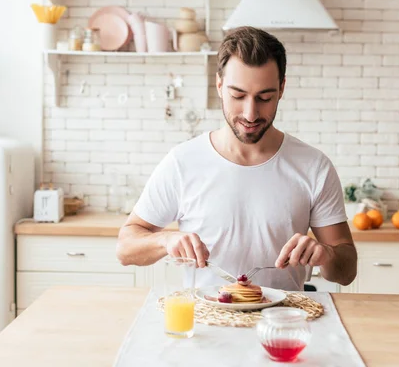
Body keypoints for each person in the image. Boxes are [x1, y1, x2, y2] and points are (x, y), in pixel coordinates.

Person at [116, 26, 357, 291]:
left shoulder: (313, 167)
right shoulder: (183, 162)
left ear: (282, 88)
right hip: (206, 325)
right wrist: (165, 241)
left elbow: (346, 272)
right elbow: (126, 248)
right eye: (238, 96)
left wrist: (326, 254)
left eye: (265, 97)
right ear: (219, 85)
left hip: (282, 324)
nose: (251, 114)